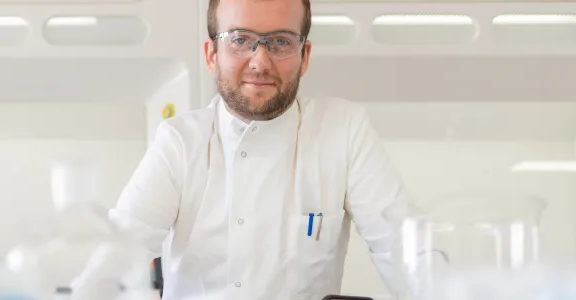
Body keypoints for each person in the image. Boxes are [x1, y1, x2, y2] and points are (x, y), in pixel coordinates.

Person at [71, 0, 413, 299]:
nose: (260, 61)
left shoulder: (343, 130)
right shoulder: (180, 142)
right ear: (211, 55)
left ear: (305, 56)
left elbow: (407, 250)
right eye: (240, 40)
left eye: (280, 41)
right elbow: (115, 256)